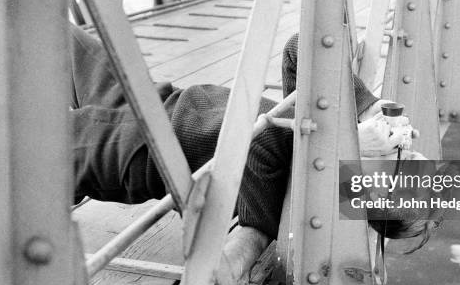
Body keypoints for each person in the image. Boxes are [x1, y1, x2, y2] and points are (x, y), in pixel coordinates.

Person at [70, 24, 436, 243]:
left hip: (139, 151)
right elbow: (299, 49)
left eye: (401, 156)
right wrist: (366, 108)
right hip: (156, 99)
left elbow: (255, 148)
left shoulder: (296, 204)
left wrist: (350, 143)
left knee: (19, 142)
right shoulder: (325, 148)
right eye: (410, 145)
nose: (399, 139)